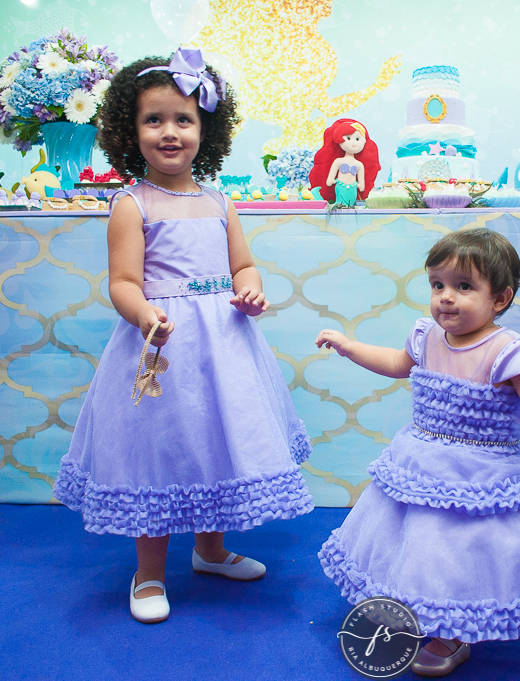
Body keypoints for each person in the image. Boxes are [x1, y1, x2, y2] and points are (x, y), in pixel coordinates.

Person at [53, 48, 314, 624]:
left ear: (206, 130)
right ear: (130, 129)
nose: (169, 133)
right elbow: (123, 282)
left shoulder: (220, 201)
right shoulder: (131, 203)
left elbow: (243, 265)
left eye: (184, 120)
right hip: (163, 347)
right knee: (161, 453)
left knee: (215, 442)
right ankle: (148, 573)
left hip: (224, 344)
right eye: (154, 120)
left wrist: (250, 290)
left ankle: (211, 550)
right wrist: (145, 315)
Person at [316, 228, 520, 676]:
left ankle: (452, 631)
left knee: (459, 550)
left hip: (482, 469)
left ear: (499, 299)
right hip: (421, 460)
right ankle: (410, 603)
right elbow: (395, 365)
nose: (446, 297)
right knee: (417, 541)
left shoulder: (510, 349)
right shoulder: (425, 336)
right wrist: (349, 347)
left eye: (464, 287)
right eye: (438, 284)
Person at [308, 118, 380, 206]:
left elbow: (361, 179)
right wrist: (330, 179)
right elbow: (332, 173)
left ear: (364, 141)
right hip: (340, 186)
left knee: (350, 203)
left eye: (357, 139)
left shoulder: (359, 164)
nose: (353, 143)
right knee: (340, 202)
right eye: (348, 138)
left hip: (353, 188)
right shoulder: (338, 161)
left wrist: (361, 184)